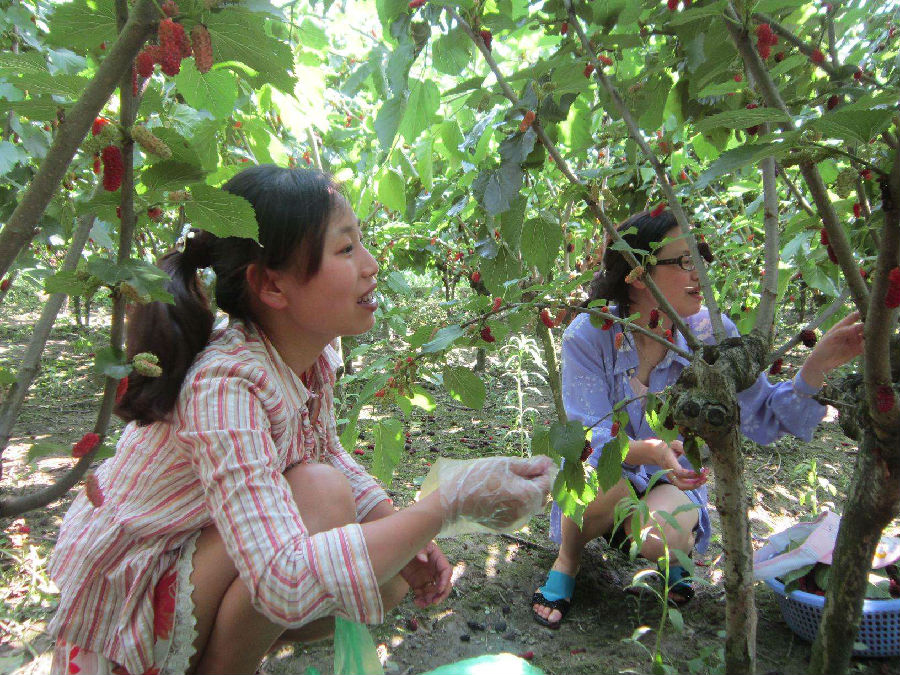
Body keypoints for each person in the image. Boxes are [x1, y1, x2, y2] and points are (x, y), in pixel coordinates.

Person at [48, 165, 555, 675]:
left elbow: (324, 448)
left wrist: (401, 527)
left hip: (200, 562)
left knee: (391, 571)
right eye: (346, 249)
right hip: (126, 615)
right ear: (271, 285)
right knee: (321, 496)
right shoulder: (226, 385)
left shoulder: (307, 358)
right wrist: (447, 506)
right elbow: (282, 581)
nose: (371, 264)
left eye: (362, 243)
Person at [531, 209, 865, 629]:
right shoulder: (590, 333)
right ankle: (568, 559)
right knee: (593, 487)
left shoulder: (711, 334)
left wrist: (816, 368)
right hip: (605, 471)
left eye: (700, 259)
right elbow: (587, 438)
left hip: (674, 479)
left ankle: (672, 552)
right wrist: (649, 451)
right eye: (684, 261)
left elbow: (761, 416)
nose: (698, 274)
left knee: (664, 536)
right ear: (637, 275)